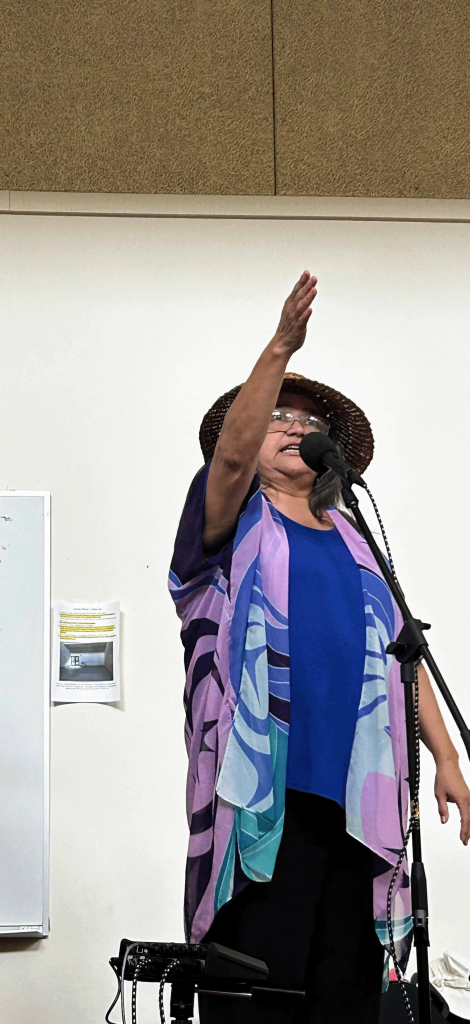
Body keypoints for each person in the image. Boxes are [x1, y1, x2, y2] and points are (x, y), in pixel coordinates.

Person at [169, 272, 470, 1023]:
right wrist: (279, 347)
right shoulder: (230, 525)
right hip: (266, 794)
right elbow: (234, 465)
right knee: (261, 989)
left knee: (346, 993)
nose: (295, 426)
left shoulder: (357, 539)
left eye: (307, 420)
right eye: (278, 416)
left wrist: (449, 760)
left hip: (361, 799)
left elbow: (406, 656)